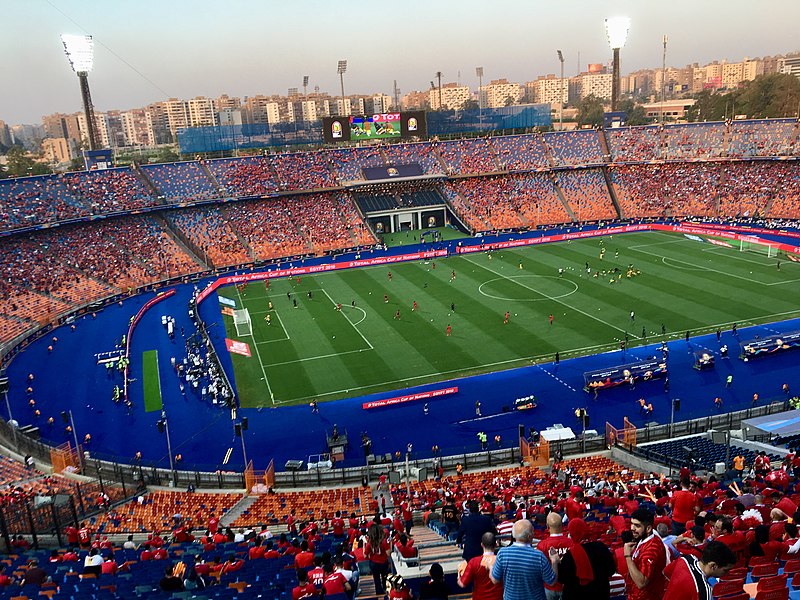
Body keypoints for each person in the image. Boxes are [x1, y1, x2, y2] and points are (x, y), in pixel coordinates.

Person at [491, 519, 558, 600]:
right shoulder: (539, 556)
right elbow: (552, 581)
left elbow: (495, 580)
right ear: (530, 537)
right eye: (533, 532)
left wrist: (491, 566)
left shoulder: (502, 554)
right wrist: (554, 561)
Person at [557, 518, 616, 600]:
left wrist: (555, 562)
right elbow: (611, 570)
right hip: (601, 594)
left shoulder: (570, 555)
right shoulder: (601, 547)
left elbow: (561, 579)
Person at [662, 541, 736, 600]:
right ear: (713, 566)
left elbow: (666, 572)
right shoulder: (704, 591)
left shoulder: (685, 559)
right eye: (725, 570)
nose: (727, 573)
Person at [624, 508, 669, 600]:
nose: (632, 528)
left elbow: (641, 583)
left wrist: (627, 556)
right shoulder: (644, 538)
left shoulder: (652, 549)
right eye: (632, 524)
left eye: (637, 525)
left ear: (648, 528)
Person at [536, 512, 573, 600]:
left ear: (547, 526)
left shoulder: (542, 545)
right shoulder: (571, 543)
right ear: (562, 525)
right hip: (568, 586)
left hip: (549, 587)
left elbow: (538, 569)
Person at [458, 532, 502, 600]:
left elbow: (462, 584)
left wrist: (459, 574)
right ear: (496, 545)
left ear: (482, 545)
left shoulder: (474, 562)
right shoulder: (501, 561)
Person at [365, 522, 390, 594]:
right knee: (384, 576)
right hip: (383, 562)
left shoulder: (369, 543)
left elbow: (365, 555)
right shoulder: (384, 542)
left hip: (374, 563)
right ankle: (386, 589)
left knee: (376, 578)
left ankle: (379, 591)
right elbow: (388, 553)